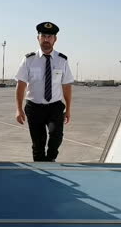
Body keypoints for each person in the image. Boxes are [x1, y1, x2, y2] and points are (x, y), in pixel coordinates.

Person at [15, 22, 74, 162]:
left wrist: (69, 109)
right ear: (38, 38)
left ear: (55, 39)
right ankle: (41, 171)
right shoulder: (28, 60)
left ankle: (50, 160)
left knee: (56, 136)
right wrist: (18, 109)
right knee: (38, 143)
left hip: (55, 106)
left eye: (50, 36)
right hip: (34, 107)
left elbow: (66, 86)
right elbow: (21, 84)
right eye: (43, 36)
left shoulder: (62, 60)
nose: (46, 39)